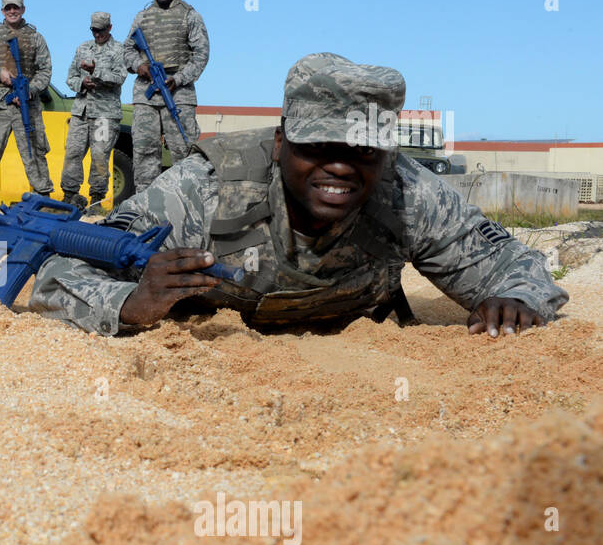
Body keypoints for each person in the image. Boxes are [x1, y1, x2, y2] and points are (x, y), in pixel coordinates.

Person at [30, 53, 567, 337]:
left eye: (363, 151)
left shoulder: (408, 193)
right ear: (282, 140)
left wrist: (515, 300)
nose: (340, 165)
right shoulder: (200, 189)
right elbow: (60, 271)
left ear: (384, 154)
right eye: (318, 146)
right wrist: (128, 304)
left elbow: (507, 261)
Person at [122, 0, 210, 192]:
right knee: (144, 151)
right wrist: (139, 66)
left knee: (184, 148)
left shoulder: (190, 15)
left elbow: (201, 54)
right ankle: (145, 202)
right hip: (146, 92)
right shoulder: (142, 17)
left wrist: (179, 79)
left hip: (178, 93)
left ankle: (189, 197)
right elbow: (127, 50)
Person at [0, 0, 54, 211]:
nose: (12, 11)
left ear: (23, 9)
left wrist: (30, 89)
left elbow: (45, 70)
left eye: (16, 7)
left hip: (27, 101)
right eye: (8, 8)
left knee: (34, 149)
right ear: (3, 11)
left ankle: (43, 197)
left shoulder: (36, 37)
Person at [61, 12, 125, 213]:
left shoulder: (118, 49)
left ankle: (96, 201)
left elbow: (119, 77)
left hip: (104, 116)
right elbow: (70, 77)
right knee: (73, 153)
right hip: (81, 112)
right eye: (94, 30)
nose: (97, 34)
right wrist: (81, 82)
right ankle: (69, 197)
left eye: (101, 30)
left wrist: (95, 72)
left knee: (99, 157)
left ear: (110, 28)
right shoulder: (83, 48)